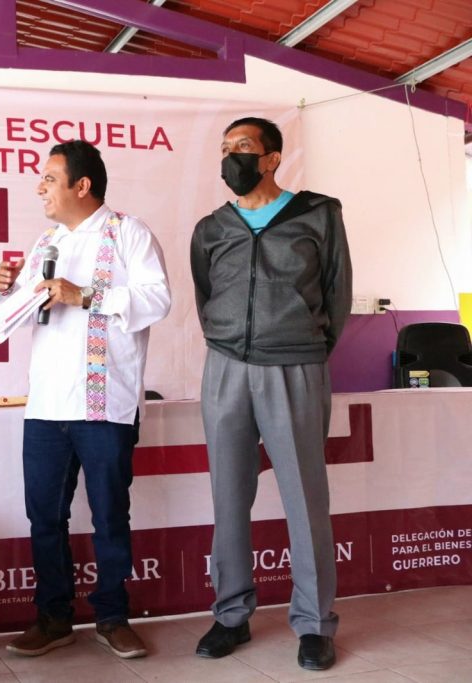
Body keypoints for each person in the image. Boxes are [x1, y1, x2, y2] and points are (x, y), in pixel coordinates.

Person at [0, 140, 171, 659]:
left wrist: (85, 294)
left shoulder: (129, 233)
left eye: (49, 178)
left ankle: (113, 616)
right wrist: (6, 289)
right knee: (45, 517)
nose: (40, 188)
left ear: (82, 185)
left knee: (110, 514)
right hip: (47, 404)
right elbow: (28, 308)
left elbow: (157, 299)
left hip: (105, 403)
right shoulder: (45, 242)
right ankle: (53, 618)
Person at [190, 117, 352, 671]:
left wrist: (305, 345)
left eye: (242, 146)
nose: (230, 157)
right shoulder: (211, 228)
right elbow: (206, 295)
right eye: (225, 148)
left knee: (306, 498)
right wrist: (227, 339)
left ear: (272, 157)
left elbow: (337, 291)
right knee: (228, 495)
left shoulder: (318, 214)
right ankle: (231, 614)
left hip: (295, 365)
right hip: (226, 368)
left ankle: (314, 623)